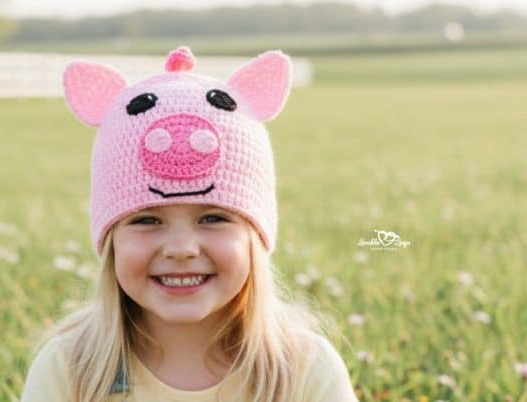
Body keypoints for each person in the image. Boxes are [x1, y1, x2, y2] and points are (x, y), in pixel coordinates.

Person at [21, 46, 359, 402]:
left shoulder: (305, 370)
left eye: (213, 218)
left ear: (254, 236)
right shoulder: (69, 369)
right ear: (111, 240)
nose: (181, 248)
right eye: (146, 219)